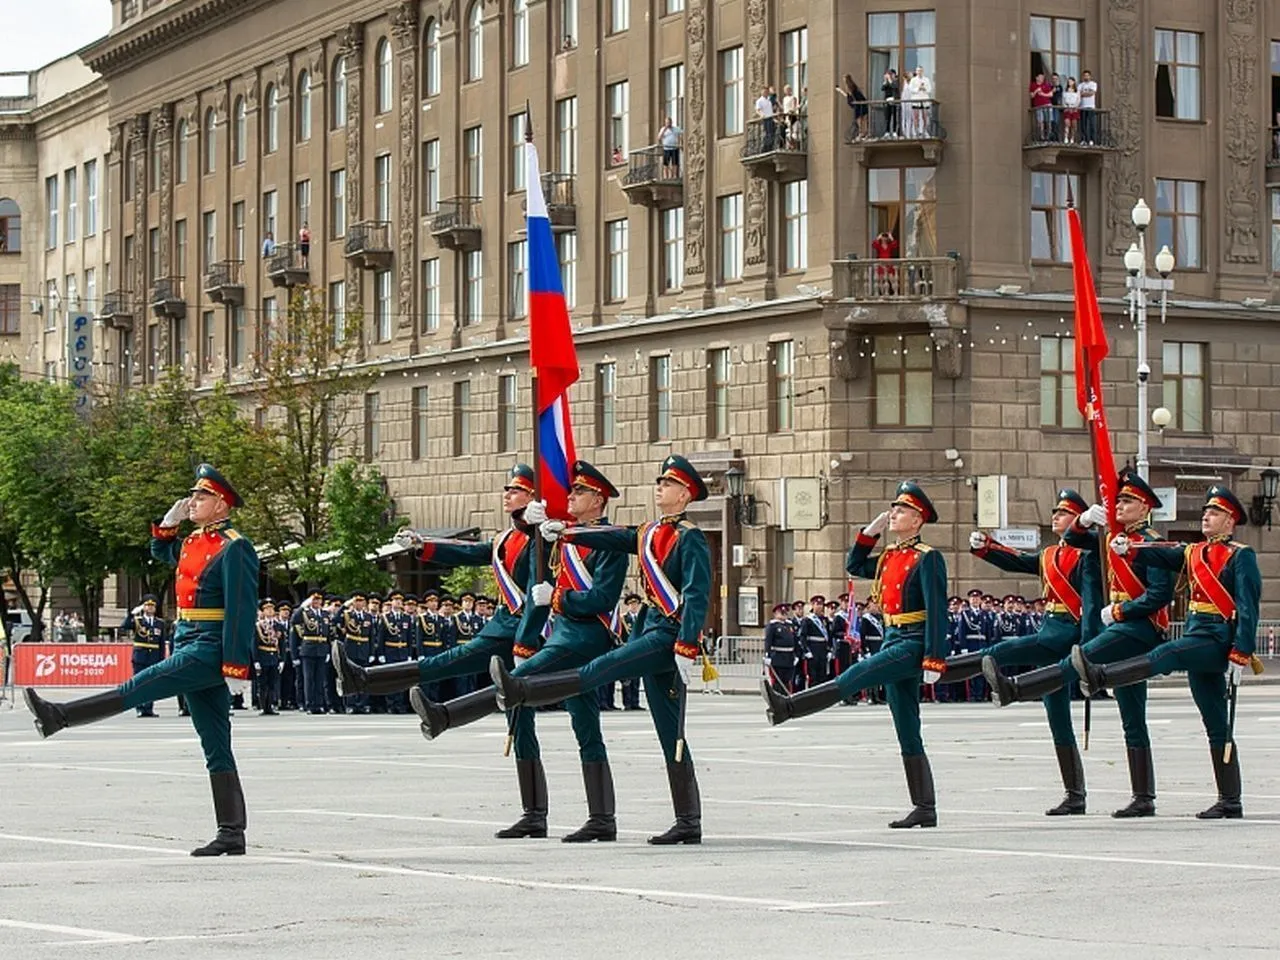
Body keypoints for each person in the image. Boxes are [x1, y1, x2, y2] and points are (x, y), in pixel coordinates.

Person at [24, 464, 259, 856]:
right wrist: (167, 525)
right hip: (187, 638)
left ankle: (59, 716)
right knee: (216, 743)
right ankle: (232, 833)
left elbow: (241, 607)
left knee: (138, 687)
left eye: (201, 497)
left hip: (209, 647)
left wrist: (235, 665)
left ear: (221, 504)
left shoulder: (235, 546)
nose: (192, 502)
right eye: (194, 495)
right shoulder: (193, 542)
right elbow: (161, 551)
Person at [491, 454, 713, 845]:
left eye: (667, 482)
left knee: (603, 668)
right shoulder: (648, 532)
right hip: (651, 629)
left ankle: (525, 690)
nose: (659, 486)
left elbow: (696, 594)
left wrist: (688, 644)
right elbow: (613, 537)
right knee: (668, 731)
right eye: (659, 481)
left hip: (669, 635)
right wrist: (566, 531)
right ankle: (688, 822)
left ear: (685, 493)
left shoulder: (690, 537)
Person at [415, 462, 628, 842]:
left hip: (579, 641)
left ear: (597, 500)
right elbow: (526, 563)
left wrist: (554, 601)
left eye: (577, 493)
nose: (570, 498)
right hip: (562, 636)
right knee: (575, 724)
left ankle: (446, 716)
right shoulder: (557, 536)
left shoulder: (604, 540)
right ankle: (563, 816)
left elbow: (600, 597)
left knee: (518, 687)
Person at [984, 469, 1175, 818]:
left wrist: (1120, 610)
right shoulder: (1110, 539)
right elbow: (1074, 538)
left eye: (1127, 501)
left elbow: (1160, 594)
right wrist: (1085, 521)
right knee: (1131, 715)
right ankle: (1141, 797)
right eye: (1118, 499)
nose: (1119, 505)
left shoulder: (1153, 543)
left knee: (1083, 659)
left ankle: (1015, 688)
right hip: (1116, 628)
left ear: (1146, 508)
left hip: (1138, 629)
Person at [760, 482, 948, 829]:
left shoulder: (928, 557)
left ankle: (789, 707)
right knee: (906, 726)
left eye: (901, 510)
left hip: (913, 640)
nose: (893, 514)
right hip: (892, 635)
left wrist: (935, 657)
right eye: (893, 509)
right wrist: (868, 535)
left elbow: (938, 610)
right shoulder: (891, 555)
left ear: (919, 519)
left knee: (851, 679)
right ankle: (925, 806)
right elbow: (855, 565)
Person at [1072, 486, 1260, 819]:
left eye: (1214, 513)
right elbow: (1161, 552)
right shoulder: (1193, 552)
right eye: (1205, 511)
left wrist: (1241, 653)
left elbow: (1248, 607)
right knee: (1216, 722)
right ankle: (1231, 800)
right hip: (1196, 633)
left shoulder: (1240, 555)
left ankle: (1101, 675)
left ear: (1230, 521)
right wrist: (1130, 549)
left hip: (1217, 638)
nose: (1206, 516)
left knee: (1168, 653)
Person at [332, 465, 548, 715]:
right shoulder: (506, 538)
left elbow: (536, 594)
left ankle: (364, 680)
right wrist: (422, 545)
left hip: (518, 627)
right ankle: (517, 751)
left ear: (532, 497)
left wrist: (525, 642)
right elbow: (468, 551)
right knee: (510, 703)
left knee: (450, 664)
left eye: (515, 490)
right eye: (507, 490)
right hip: (504, 625)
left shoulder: (539, 540)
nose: (506, 495)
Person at [951, 490, 1101, 815]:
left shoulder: (1089, 555)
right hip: (1049, 629)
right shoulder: (1049, 554)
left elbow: (1091, 602)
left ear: (1077, 520)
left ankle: (954, 669)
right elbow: (1017, 560)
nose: (1056, 517)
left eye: (1063, 513)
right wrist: (985, 547)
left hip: (1068, 633)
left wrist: (1090, 645)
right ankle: (1075, 795)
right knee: (1057, 717)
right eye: (1056, 512)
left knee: (1001, 650)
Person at [121, 594, 167, 717]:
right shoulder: (137, 621)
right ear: (143, 607)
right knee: (139, 683)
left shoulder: (160, 623)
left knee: (151, 684)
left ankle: (149, 708)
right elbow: (124, 626)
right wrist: (131, 614)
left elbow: (161, 643)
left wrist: (161, 660)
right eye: (147, 605)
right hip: (140, 657)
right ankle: (140, 707)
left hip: (154, 657)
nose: (150, 608)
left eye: (152, 606)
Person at [290, 589, 330, 715]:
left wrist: (327, 650)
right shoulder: (305, 613)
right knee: (309, 678)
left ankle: (319, 704)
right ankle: (310, 704)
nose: (317, 602)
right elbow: (294, 620)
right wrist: (303, 606)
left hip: (322, 648)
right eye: (314, 600)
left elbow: (327, 633)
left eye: (319, 600)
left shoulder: (324, 614)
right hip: (309, 648)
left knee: (320, 679)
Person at [341, 591, 374, 714]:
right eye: (356, 601)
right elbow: (335, 621)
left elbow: (371, 635)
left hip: (364, 649)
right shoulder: (347, 614)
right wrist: (345, 605)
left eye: (361, 601)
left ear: (364, 603)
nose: (359, 603)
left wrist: (371, 652)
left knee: (364, 677)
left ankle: (362, 704)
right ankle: (351, 704)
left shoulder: (368, 616)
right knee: (350, 676)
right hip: (351, 648)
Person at [254, 599, 282, 715]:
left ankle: (270, 705)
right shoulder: (258, 625)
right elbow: (254, 644)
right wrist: (256, 660)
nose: (270, 611)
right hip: (263, 655)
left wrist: (282, 660)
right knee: (262, 683)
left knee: (272, 683)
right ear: (263, 611)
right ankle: (263, 706)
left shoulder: (277, 625)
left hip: (274, 656)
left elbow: (282, 643)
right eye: (267, 609)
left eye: (271, 609)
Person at [763, 602, 799, 692]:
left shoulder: (789, 625)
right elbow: (768, 642)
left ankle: (787, 697)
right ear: (775, 614)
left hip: (789, 657)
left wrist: (796, 655)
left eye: (785, 613)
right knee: (777, 681)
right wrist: (767, 655)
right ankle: (778, 696)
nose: (784, 615)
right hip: (777, 657)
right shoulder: (772, 626)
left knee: (787, 680)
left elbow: (795, 641)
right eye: (781, 612)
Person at [619, 593, 644, 709]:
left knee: (636, 679)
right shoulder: (623, 618)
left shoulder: (641, 619)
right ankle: (627, 703)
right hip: (627, 650)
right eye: (631, 604)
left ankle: (635, 702)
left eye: (635, 604)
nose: (633, 606)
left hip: (638, 650)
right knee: (627, 679)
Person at [904, 65, 933, 137]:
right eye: (918, 71)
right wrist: (918, 88)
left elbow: (929, 89)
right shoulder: (913, 80)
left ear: (923, 71)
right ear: (916, 72)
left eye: (920, 71)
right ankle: (916, 131)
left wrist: (924, 88)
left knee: (925, 116)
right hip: (916, 100)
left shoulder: (926, 79)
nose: (919, 72)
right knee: (915, 116)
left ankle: (924, 130)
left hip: (924, 99)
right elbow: (911, 89)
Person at [840, 74, 869, 141]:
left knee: (860, 119)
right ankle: (863, 133)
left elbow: (851, 97)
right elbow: (850, 97)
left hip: (859, 105)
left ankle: (862, 133)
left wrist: (851, 101)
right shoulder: (853, 87)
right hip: (861, 104)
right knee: (862, 119)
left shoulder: (851, 87)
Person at [1078, 70, 1098, 145]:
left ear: (1090, 76)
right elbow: (1079, 94)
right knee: (1083, 124)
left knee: (1092, 124)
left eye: (1087, 75)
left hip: (1091, 106)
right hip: (1082, 107)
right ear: (1083, 76)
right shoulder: (1080, 85)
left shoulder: (1093, 84)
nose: (1086, 77)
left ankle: (1092, 139)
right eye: (1085, 75)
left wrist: (1084, 94)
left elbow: (1092, 93)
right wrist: (1086, 93)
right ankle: (1084, 139)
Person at [880, 68, 900, 137]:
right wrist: (885, 80)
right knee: (887, 117)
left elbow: (894, 87)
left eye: (891, 74)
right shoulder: (887, 82)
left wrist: (889, 79)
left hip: (894, 101)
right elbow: (882, 88)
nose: (890, 75)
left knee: (894, 116)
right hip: (887, 101)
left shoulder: (895, 81)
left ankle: (894, 131)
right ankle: (887, 131)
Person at [1061, 77, 1081, 144]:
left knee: (1074, 124)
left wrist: (1075, 107)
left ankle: (1072, 138)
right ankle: (1066, 137)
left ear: (1074, 82)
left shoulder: (1077, 91)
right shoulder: (1065, 90)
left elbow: (1078, 100)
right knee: (1067, 123)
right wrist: (1066, 107)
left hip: (1074, 109)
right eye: (1069, 81)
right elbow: (1063, 100)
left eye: (1071, 81)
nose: (1070, 83)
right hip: (1067, 108)